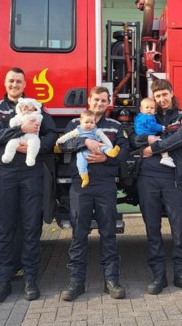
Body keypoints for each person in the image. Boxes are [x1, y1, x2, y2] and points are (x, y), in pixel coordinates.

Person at [0, 68, 58, 304]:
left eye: (18, 81)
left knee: (30, 227)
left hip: (30, 173)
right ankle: (3, 282)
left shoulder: (37, 106)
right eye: (10, 81)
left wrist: (35, 147)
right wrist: (19, 132)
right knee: (5, 228)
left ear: (24, 83)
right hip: (5, 174)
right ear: (5, 83)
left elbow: (51, 134)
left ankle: (30, 281)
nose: (14, 84)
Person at [57, 86, 129, 301]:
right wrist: (84, 141)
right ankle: (76, 282)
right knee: (79, 233)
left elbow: (124, 149)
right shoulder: (75, 123)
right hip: (81, 186)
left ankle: (112, 281)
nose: (99, 103)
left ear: (109, 102)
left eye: (103, 100)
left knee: (108, 232)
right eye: (96, 99)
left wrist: (107, 158)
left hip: (105, 184)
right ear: (89, 101)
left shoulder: (115, 126)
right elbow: (62, 145)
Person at [130, 79, 182, 295]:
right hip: (147, 178)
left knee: (179, 228)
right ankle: (158, 276)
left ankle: (181, 274)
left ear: (171, 93)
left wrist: (154, 147)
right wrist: (146, 141)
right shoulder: (147, 115)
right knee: (152, 228)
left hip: (173, 178)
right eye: (157, 96)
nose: (161, 99)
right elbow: (134, 139)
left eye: (164, 94)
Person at [56, 110, 121, 187]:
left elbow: (104, 138)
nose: (89, 125)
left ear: (94, 123)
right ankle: (84, 177)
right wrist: (59, 141)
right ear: (81, 122)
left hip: (97, 147)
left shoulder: (96, 130)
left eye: (91, 123)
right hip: (83, 150)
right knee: (80, 161)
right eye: (86, 122)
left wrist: (110, 147)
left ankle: (111, 152)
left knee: (103, 146)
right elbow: (68, 136)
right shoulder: (77, 130)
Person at [134, 97, 174, 167]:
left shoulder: (139, 117)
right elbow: (152, 126)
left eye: (152, 108)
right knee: (160, 142)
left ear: (155, 110)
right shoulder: (147, 117)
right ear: (141, 109)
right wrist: (161, 128)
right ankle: (165, 157)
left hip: (141, 136)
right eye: (147, 107)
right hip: (147, 135)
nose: (149, 109)